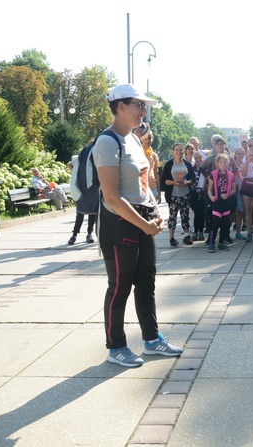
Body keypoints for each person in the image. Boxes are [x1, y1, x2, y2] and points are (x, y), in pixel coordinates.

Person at [94, 83, 182, 368]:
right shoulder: (108, 142)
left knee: (146, 282)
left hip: (142, 220)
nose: (144, 111)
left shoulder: (132, 139)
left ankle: (152, 339)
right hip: (119, 225)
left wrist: (155, 213)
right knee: (119, 286)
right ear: (120, 106)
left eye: (145, 106)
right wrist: (144, 224)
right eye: (139, 105)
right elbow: (111, 196)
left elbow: (142, 184)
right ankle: (116, 346)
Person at [160, 143, 196, 247]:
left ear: (183, 151)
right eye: (176, 150)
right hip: (173, 194)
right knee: (172, 216)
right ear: (173, 151)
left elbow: (192, 179)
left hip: (185, 193)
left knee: (185, 215)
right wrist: (173, 182)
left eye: (181, 150)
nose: (178, 152)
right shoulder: (169, 164)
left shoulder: (187, 164)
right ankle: (171, 238)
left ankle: (186, 235)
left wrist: (187, 182)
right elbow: (164, 181)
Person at [207, 154, 236, 253]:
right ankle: (211, 243)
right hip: (217, 202)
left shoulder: (231, 175)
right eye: (221, 162)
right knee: (215, 222)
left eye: (225, 162)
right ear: (217, 163)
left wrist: (228, 195)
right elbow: (209, 189)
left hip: (226, 202)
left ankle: (221, 243)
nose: (223, 164)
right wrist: (211, 197)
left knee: (225, 223)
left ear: (228, 163)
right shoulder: (213, 174)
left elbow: (234, 189)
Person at [67, 160, 95, 245]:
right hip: (81, 191)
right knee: (80, 214)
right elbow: (69, 164)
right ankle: (74, 235)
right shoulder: (82, 157)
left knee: (92, 213)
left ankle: (89, 233)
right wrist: (74, 174)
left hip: (91, 189)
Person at [134, 125, 161, 203]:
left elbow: (156, 174)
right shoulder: (138, 152)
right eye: (145, 139)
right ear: (141, 140)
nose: (147, 141)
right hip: (141, 188)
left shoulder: (154, 155)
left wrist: (159, 193)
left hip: (153, 188)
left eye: (149, 138)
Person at [189, 149, 206, 241]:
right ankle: (195, 231)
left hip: (204, 194)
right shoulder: (192, 169)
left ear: (203, 158)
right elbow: (190, 180)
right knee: (197, 213)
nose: (198, 159)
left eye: (200, 157)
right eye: (196, 158)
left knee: (202, 214)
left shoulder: (206, 168)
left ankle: (201, 232)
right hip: (194, 194)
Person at [232, 146, 246, 240]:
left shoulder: (246, 164)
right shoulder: (231, 165)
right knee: (232, 213)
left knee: (240, 212)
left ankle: (238, 232)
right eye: (238, 153)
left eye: (242, 153)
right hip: (233, 191)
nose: (240, 155)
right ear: (235, 155)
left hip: (243, 191)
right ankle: (226, 233)